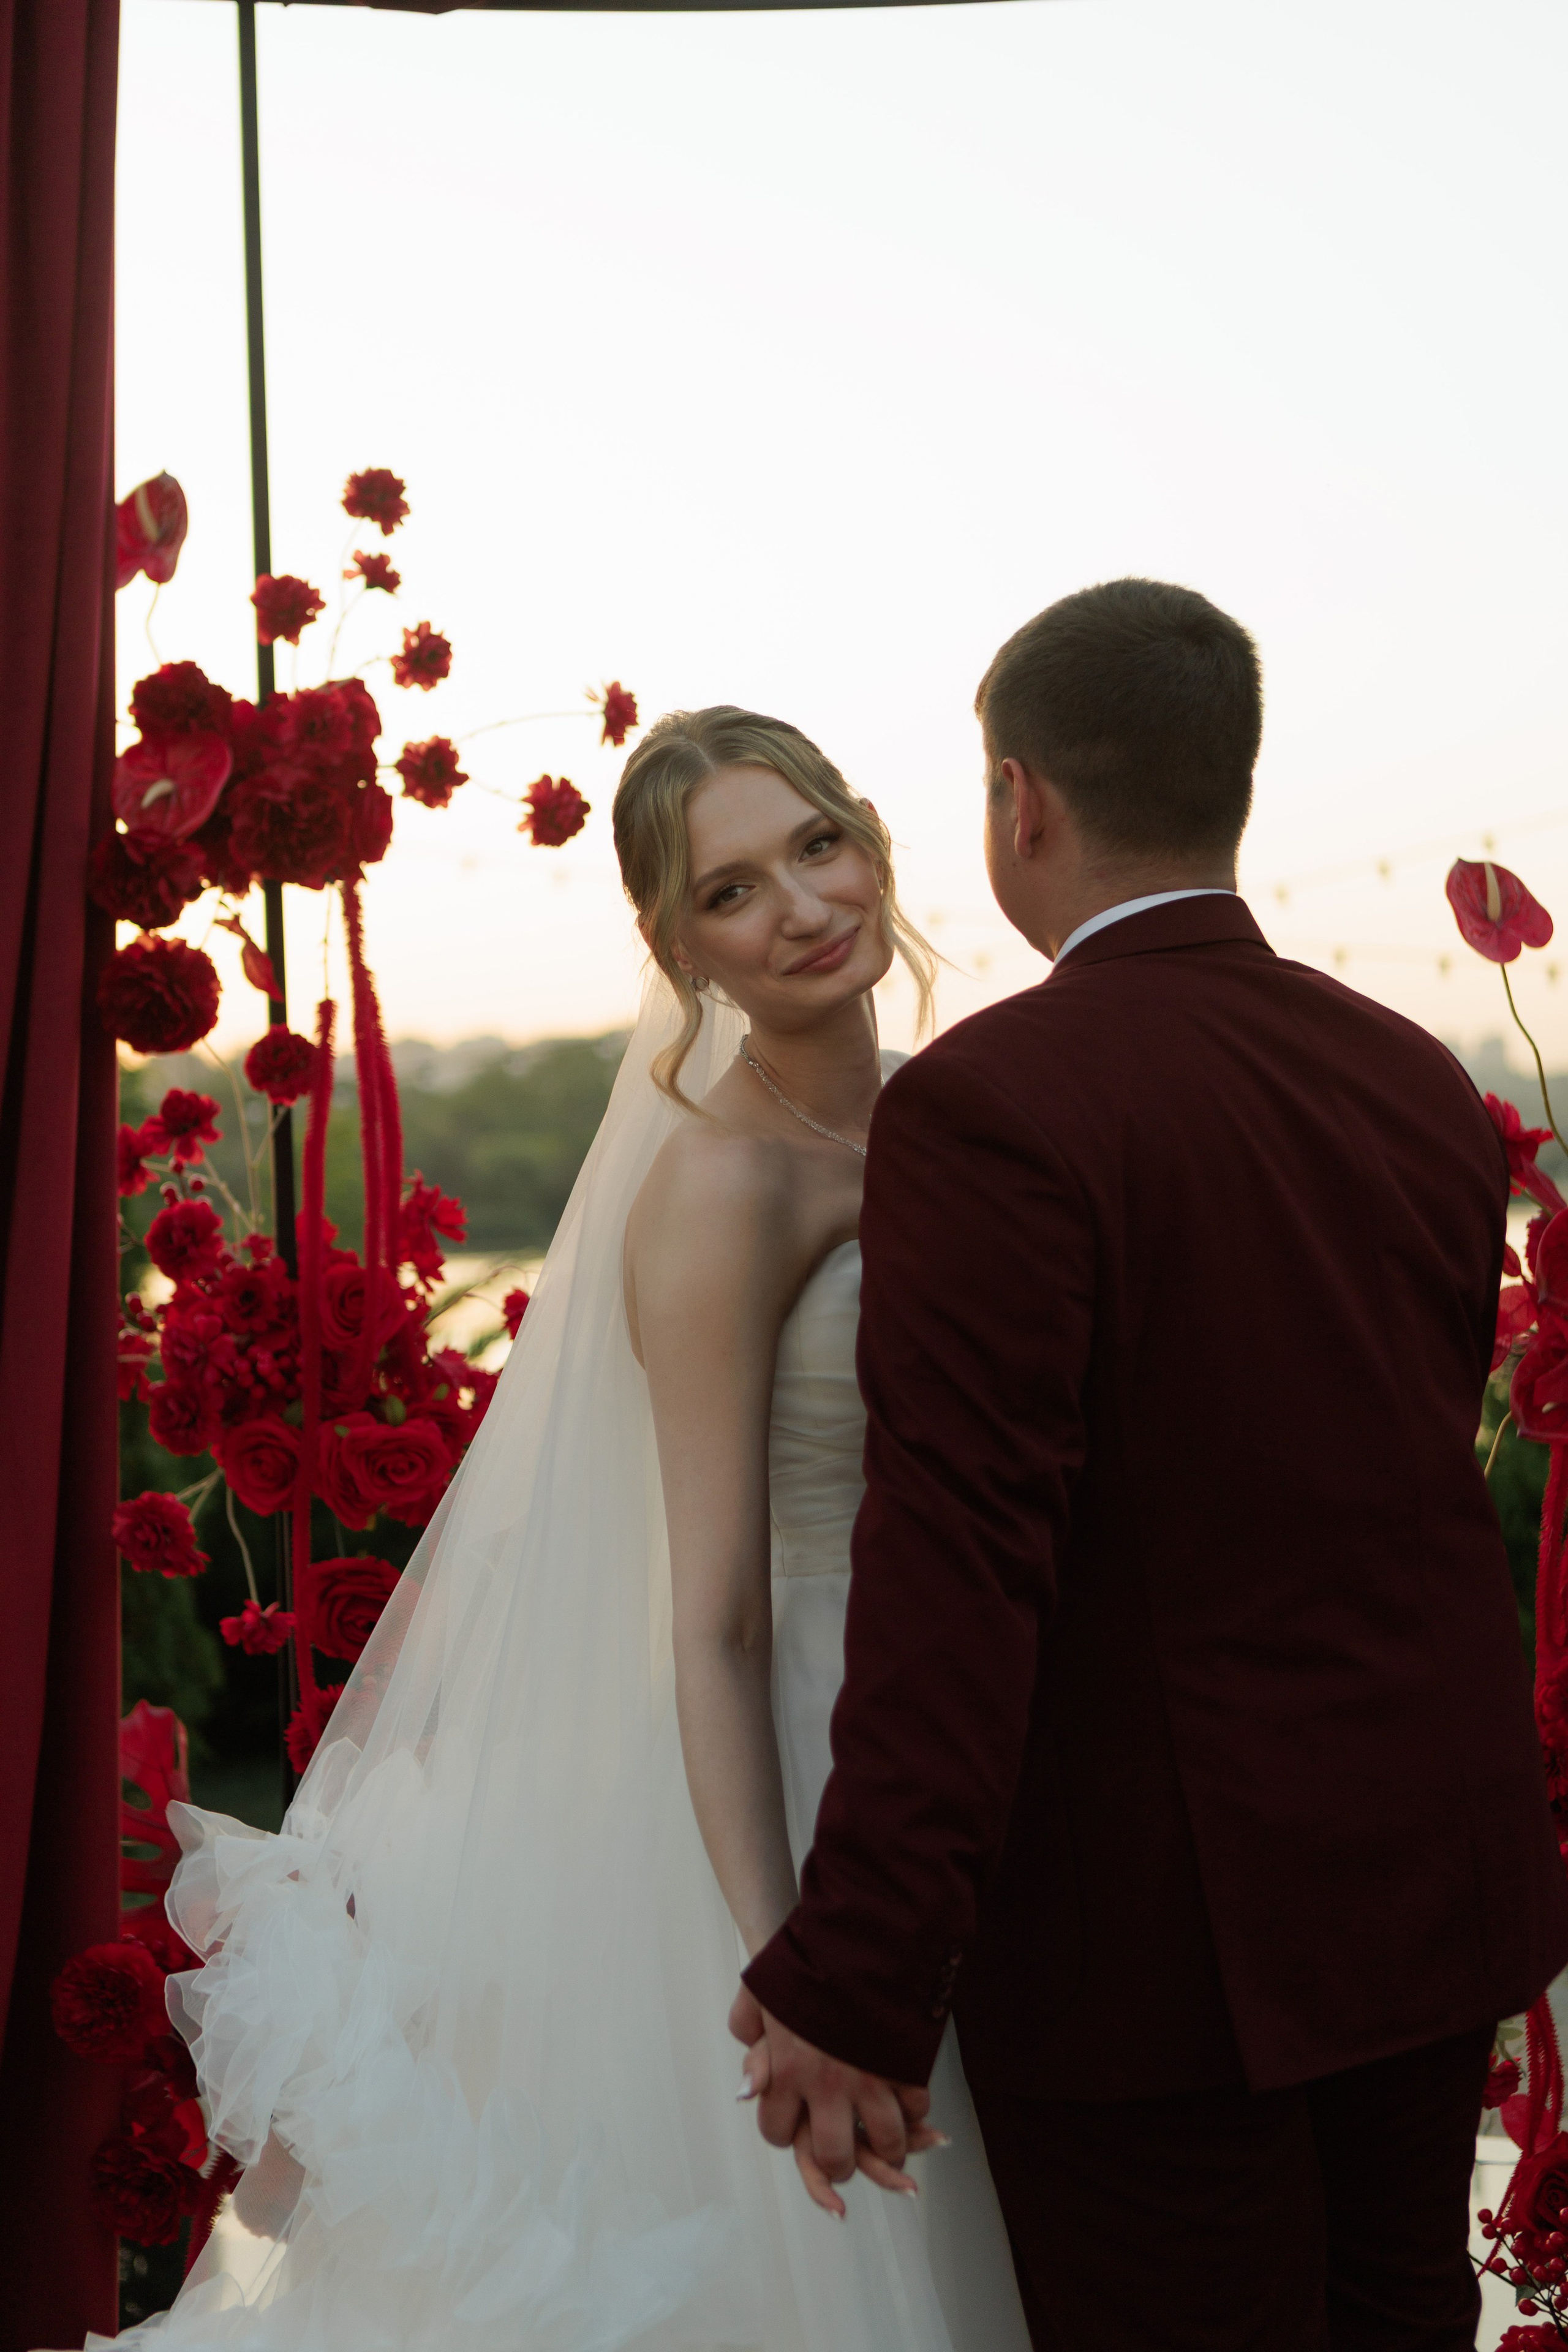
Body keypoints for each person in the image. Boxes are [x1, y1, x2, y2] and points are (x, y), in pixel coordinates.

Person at [87, 708, 1028, 2351]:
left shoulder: (942, 1122)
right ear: (682, 951)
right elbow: (714, 1617)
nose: (802, 907)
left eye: (815, 846)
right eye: (731, 891)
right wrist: (793, 1963)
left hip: (949, 1734)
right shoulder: (724, 1185)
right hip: (780, 1762)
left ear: (872, 839)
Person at [733, 576, 1568, 2350]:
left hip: (1163, 1947)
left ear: (1018, 798)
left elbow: (962, 1564)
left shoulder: (992, 1103)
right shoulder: (1412, 1077)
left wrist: (861, 1969)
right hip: (1421, 1883)